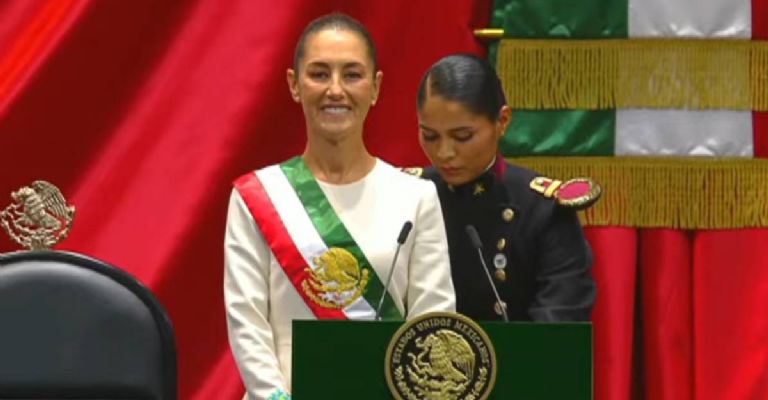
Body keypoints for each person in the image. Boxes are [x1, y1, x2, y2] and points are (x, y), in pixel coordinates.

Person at [223, 14, 455, 400]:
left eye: (352, 75)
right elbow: (248, 323)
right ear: (294, 85)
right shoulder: (257, 195)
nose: (335, 90)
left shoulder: (416, 197)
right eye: (319, 74)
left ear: (376, 87)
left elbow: (432, 325)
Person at [411, 54, 598, 322]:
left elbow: (558, 326)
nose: (444, 153)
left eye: (463, 136)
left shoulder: (542, 210)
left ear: (502, 121)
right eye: (430, 136)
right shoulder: (407, 195)